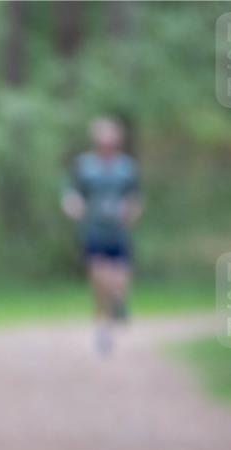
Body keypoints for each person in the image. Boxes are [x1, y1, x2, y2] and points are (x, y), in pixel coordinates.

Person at [61, 117, 142, 355]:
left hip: (117, 231)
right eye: (102, 141)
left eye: (110, 141)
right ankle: (103, 329)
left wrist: (130, 212)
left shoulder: (126, 167)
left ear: (116, 142)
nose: (106, 145)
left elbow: (135, 197)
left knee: (119, 280)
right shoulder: (83, 165)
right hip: (93, 230)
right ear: (96, 142)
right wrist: (73, 205)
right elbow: (71, 193)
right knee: (97, 278)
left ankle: (118, 300)